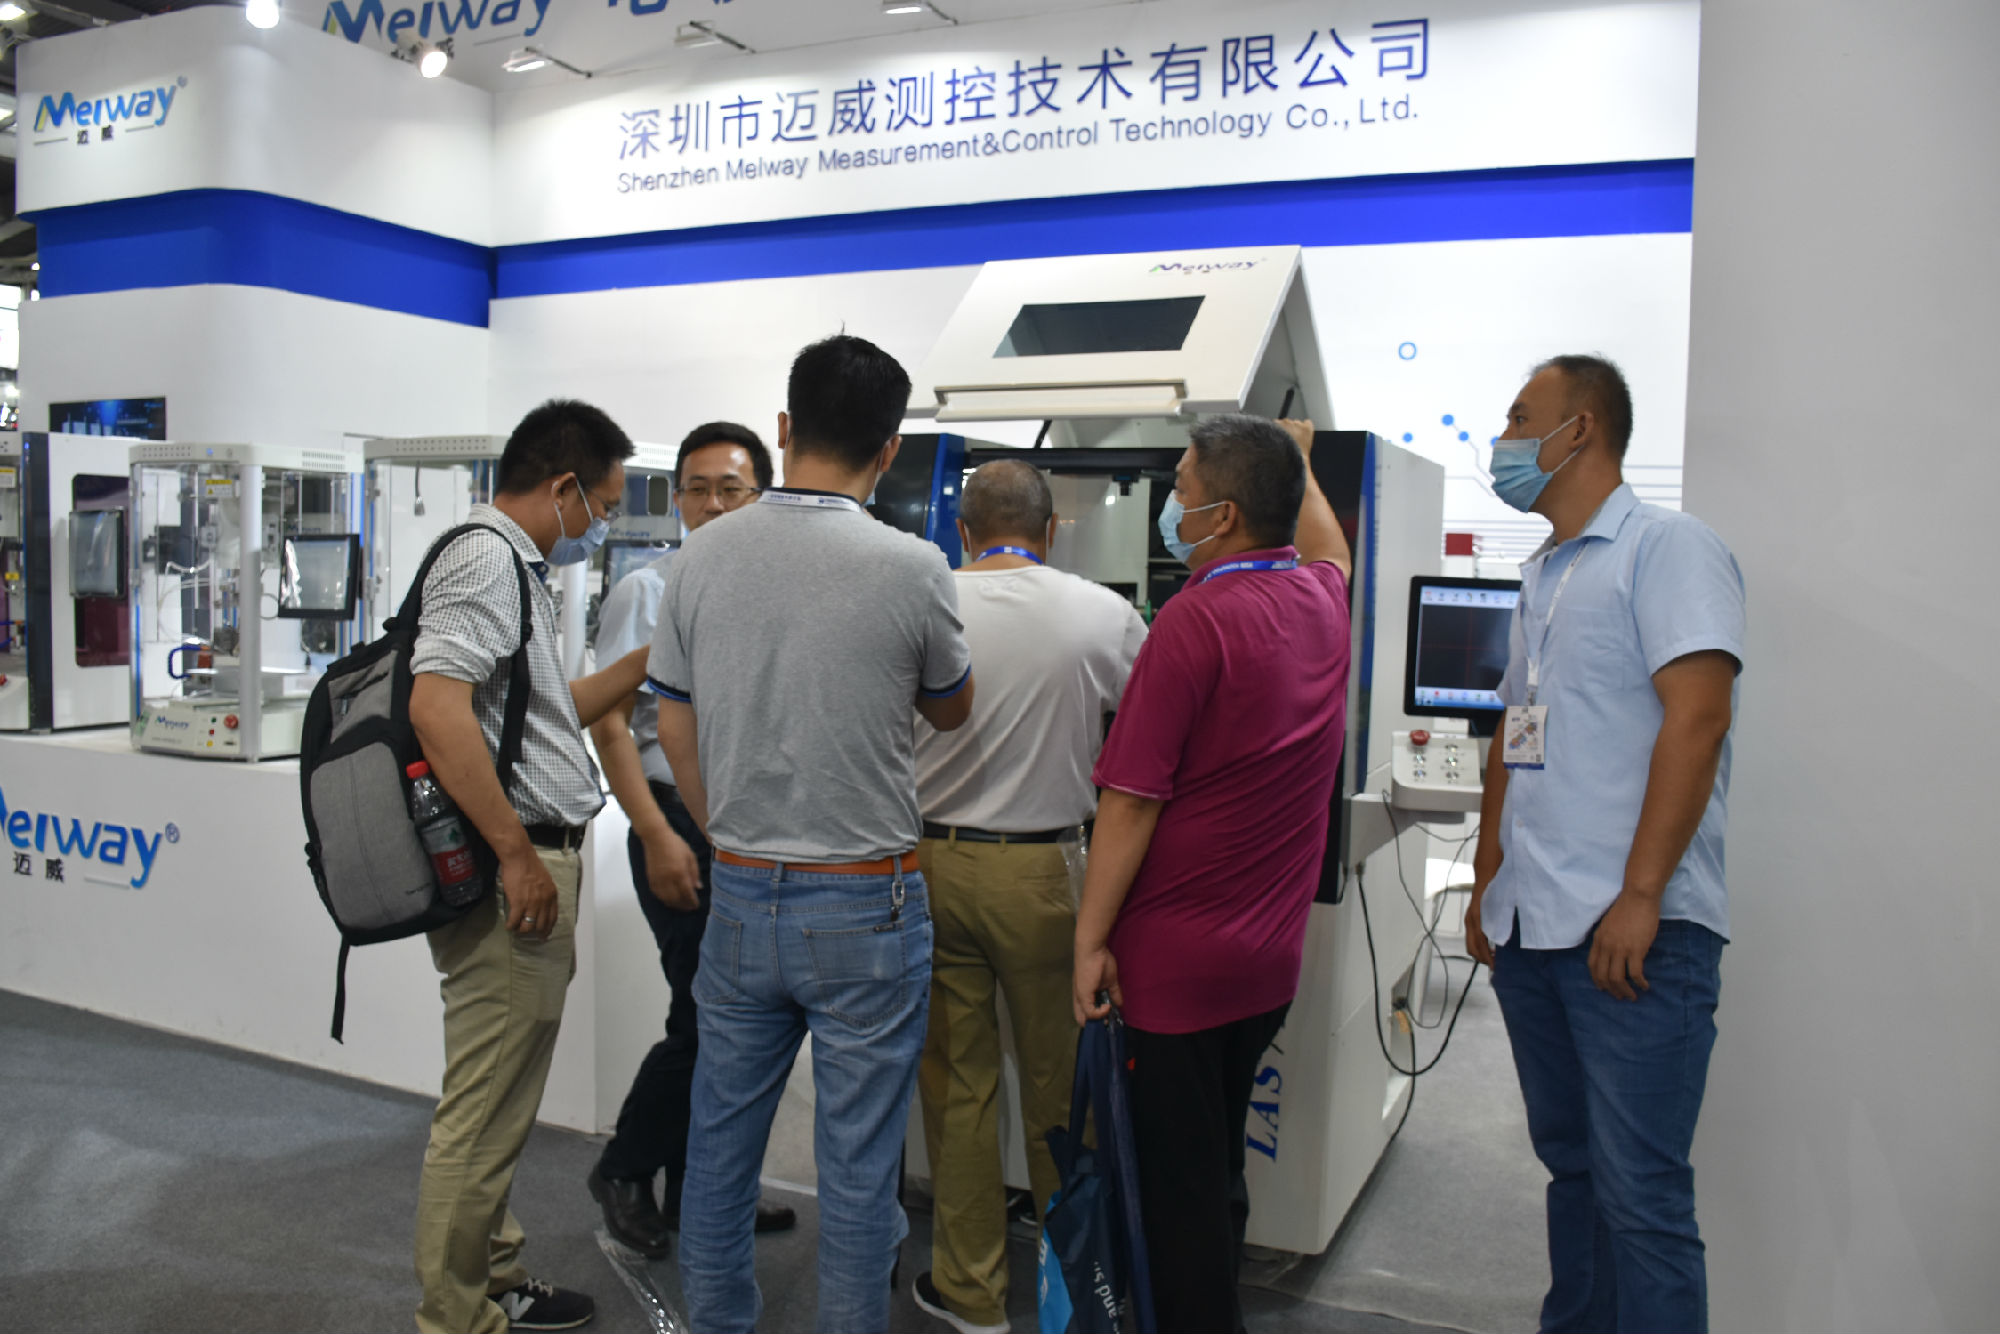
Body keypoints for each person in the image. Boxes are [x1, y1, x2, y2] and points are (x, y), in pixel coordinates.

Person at [647, 334, 975, 1334]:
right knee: (860, 1165)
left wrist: (724, 832)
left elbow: (672, 719)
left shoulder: (699, 556)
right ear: (890, 448)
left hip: (744, 888)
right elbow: (952, 707)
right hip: (867, 900)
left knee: (719, 1145)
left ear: (784, 428)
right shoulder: (914, 565)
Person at [1464, 355, 1744, 1334]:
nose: (1501, 438)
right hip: (1532, 929)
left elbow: (1698, 717)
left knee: (1642, 1199)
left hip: (1633, 934)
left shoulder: (1667, 547)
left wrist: (1641, 893)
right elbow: (1514, 733)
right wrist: (1487, 876)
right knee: (1573, 1172)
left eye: (1518, 417)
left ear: (1577, 428)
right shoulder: (1542, 572)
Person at [1072, 414, 1353, 1334]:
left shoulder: (1194, 619)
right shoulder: (1321, 599)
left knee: (1172, 1197)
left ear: (1223, 516)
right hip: (1264, 967)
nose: (1172, 504)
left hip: (1174, 975)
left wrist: (1088, 942)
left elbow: (1130, 801)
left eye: (1182, 488)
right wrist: (1299, 460)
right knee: (1215, 1169)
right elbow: (1334, 550)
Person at [407, 399, 656, 1334]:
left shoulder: (517, 569)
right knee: (482, 1109)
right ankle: (455, 1316)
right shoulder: (486, 558)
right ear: (562, 489)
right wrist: (516, 855)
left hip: (530, 857)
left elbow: (546, 716)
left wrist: (651, 657)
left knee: (504, 1099)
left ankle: (495, 1276)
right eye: (603, 505)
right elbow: (438, 707)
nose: (602, 525)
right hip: (510, 868)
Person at [909, 460, 1148, 1334]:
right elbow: (1150, 740)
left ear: (963, 530)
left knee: (957, 1087)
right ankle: (1074, 1291)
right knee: (1063, 1091)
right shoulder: (1103, 614)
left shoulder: (924, 600)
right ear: (1052, 531)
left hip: (930, 865)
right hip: (1049, 873)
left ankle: (970, 1292)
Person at [584, 422, 798, 1256]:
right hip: (673, 820)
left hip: (746, 826)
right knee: (707, 1015)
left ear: (762, 497)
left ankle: (701, 1193)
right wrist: (654, 834)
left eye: (731, 489)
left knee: (734, 1018)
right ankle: (625, 1168)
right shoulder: (648, 591)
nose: (712, 505)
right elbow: (610, 724)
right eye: (697, 489)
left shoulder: (772, 591)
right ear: (676, 499)